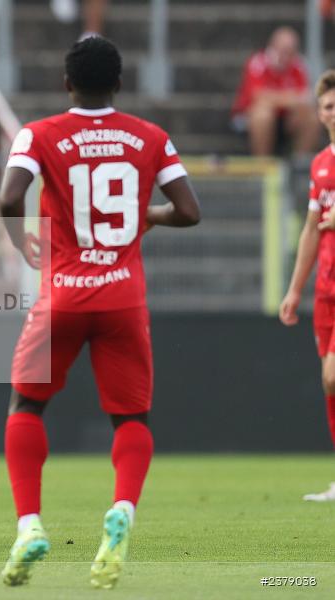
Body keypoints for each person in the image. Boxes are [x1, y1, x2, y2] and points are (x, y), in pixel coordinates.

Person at [0, 37, 200, 589]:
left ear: (67, 84)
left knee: (27, 404)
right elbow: (189, 211)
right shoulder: (149, 136)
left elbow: (10, 199)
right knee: (131, 419)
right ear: (118, 83)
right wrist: (145, 215)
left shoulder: (40, 133)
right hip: (123, 298)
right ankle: (123, 510)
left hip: (62, 294)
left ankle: (29, 525)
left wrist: (21, 242)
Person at [279, 69, 335, 503]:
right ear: (319, 113)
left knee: (334, 376)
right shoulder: (320, 164)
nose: (334, 113)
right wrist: (295, 289)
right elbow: (312, 232)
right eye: (329, 106)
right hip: (325, 289)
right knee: (329, 382)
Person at [232, 26, 319, 157]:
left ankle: (300, 163)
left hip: (286, 119)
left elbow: (305, 99)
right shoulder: (258, 63)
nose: (287, 56)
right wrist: (290, 98)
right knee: (263, 114)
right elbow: (259, 97)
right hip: (253, 119)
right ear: (273, 47)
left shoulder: (299, 66)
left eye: (291, 51)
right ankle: (263, 163)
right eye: (283, 50)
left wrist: (281, 99)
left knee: (312, 117)